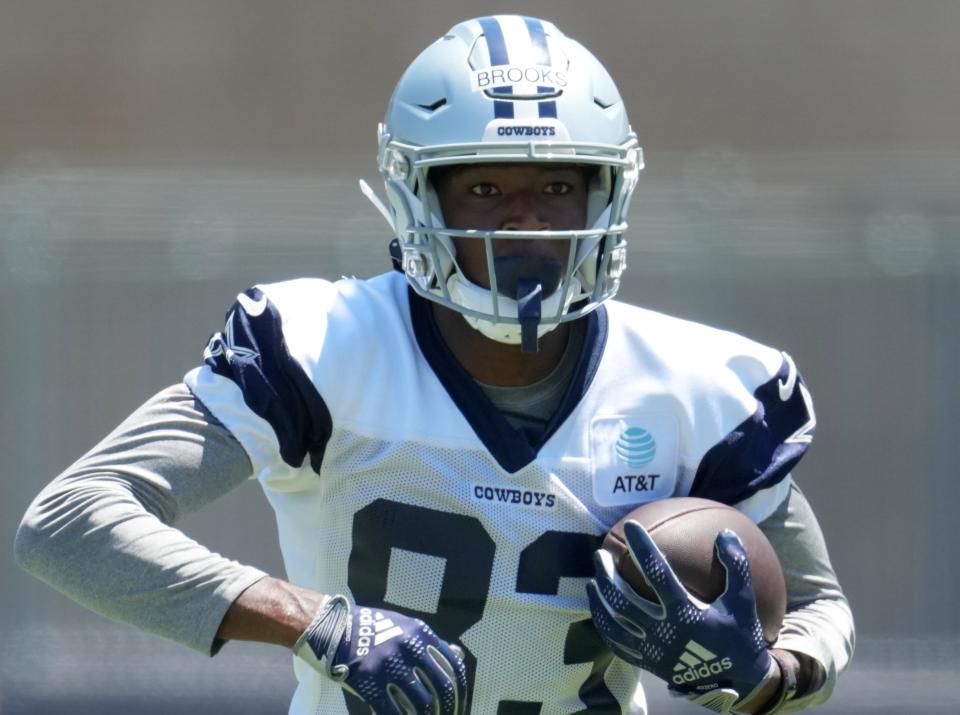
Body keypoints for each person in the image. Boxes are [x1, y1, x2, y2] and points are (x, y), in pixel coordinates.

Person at [15, 15, 854, 715]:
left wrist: (760, 675)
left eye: (557, 188)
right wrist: (318, 623)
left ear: (606, 195)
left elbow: (818, 610)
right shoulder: (328, 346)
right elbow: (71, 522)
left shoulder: (698, 389)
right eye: (485, 192)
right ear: (420, 196)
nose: (527, 224)